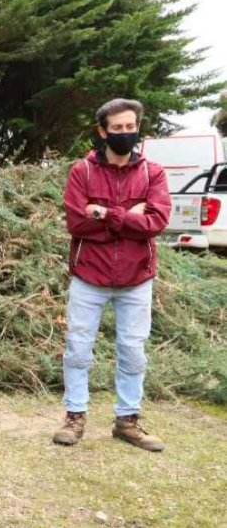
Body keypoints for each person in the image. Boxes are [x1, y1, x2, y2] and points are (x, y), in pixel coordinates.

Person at [52, 98, 170, 451]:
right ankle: (75, 417)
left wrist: (104, 213)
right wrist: (129, 217)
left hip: (137, 278)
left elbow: (156, 222)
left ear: (138, 129)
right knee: (77, 349)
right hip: (89, 276)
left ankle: (127, 421)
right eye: (116, 128)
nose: (124, 133)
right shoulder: (82, 172)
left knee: (133, 351)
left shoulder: (154, 173)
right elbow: (77, 223)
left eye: (129, 127)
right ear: (102, 131)